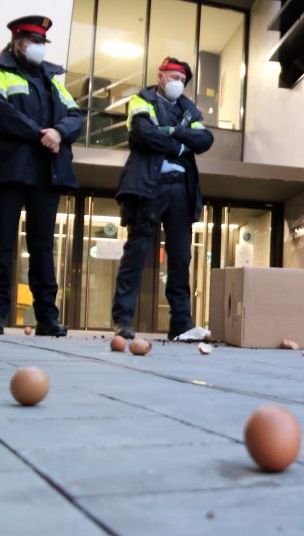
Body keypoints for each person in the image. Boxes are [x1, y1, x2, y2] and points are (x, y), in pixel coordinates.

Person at [0, 15, 82, 336]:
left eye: (42, 43)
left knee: (42, 246)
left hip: (45, 173)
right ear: (18, 43)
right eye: (34, 43)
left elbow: (75, 115)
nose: (39, 48)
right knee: (2, 243)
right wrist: (43, 134)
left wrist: (60, 131)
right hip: (10, 169)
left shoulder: (53, 80)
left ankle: (46, 318)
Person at [111, 57, 214, 340]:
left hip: (181, 189)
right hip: (148, 186)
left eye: (182, 80)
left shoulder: (187, 109)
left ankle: (181, 323)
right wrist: (183, 145)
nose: (177, 83)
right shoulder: (140, 100)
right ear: (160, 76)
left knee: (180, 257)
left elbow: (205, 141)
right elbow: (144, 135)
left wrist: (172, 131)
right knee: (136, 253)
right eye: (173, 77)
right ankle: (123, 320)